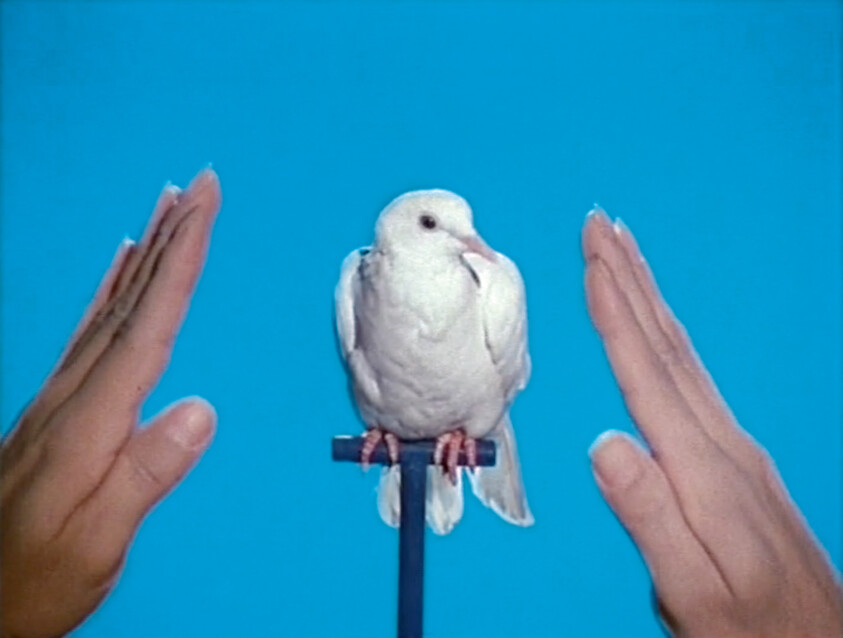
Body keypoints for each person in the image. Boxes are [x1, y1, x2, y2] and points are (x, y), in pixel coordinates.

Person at [1, 172, 840, 638]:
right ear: (404, 230)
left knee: (472, 412)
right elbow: (362, 366)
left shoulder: (494, 285)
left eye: (461, 226)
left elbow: (507, 377)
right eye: (440, 227)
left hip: (475, 413)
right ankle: (399, 448)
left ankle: (458, 457)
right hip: (389, 418)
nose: (466, 240)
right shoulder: (354, 280)